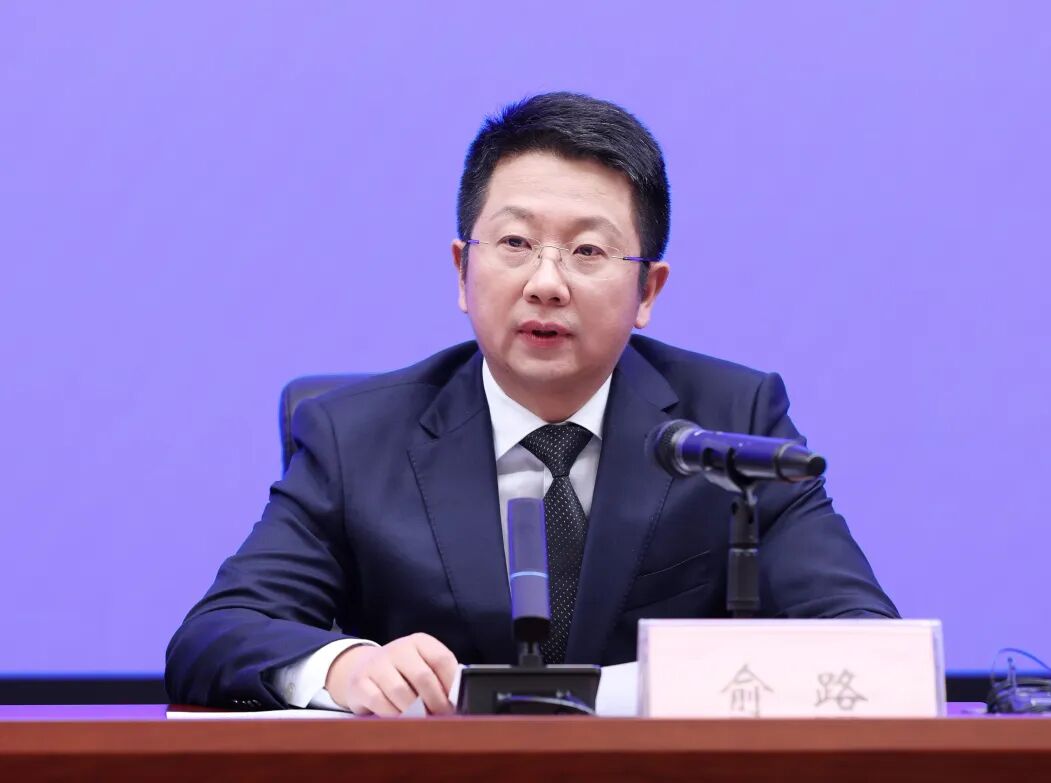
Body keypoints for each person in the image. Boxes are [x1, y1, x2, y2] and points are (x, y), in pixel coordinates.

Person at [165, 92, 898, 717]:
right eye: (516, 242)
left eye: (588, 251)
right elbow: (216, 634)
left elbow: (865, 638)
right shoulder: (354, 436)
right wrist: (344, 666)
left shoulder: (732, 420)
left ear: (648, 291)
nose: (547, 283)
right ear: (462, 270)